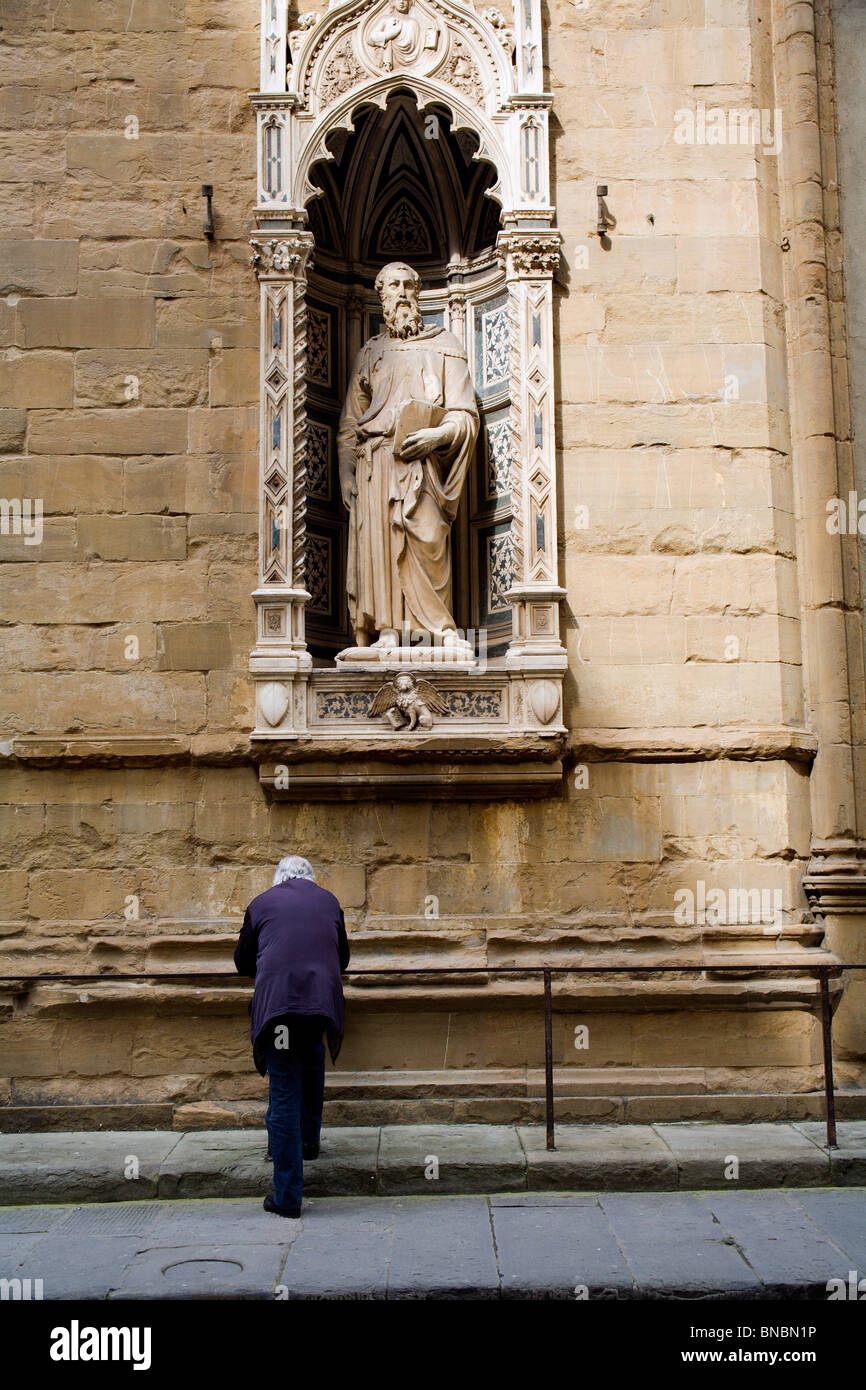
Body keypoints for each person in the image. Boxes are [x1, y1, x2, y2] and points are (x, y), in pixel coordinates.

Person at [234, 856, 350, 1218]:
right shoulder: (329, 902)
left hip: (280, 1011)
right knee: (312, 1064)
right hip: (318, 1005)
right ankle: (309, 1143)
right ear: (310, 880)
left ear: (279, 880)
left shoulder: (261, 903)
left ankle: (287, 1196)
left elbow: (242, 962)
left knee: (284, 1089)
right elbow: (343, 958)